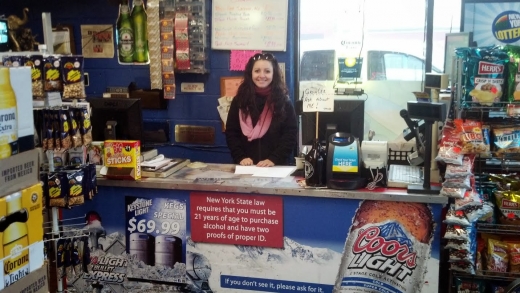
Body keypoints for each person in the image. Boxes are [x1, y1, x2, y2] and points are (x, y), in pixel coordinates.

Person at [225, 53, 297, 167]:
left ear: (274, 74)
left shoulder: (283, 101)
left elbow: (290, 134)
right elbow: (231, 132)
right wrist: (240, 157)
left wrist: (274, 159)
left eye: (267, 71)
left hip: (275, 166)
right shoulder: (239, 100)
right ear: (251, 73)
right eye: (257, 71)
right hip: (246, 166)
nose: (262, 75)